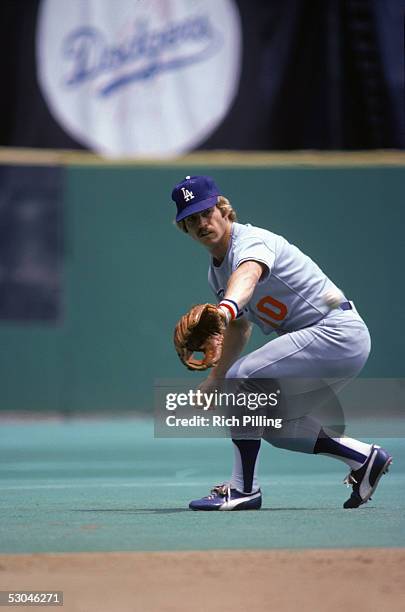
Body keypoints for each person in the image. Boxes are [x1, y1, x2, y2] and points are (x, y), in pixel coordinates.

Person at [171, 175, 392, 510]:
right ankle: (364, 458)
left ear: (223, 209)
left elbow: (248, 274)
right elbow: (240, 328)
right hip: (322, 343)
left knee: (241, 379)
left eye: (206, 212)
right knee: (273, 425)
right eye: (191, 219)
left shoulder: (251, 241)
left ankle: (243, 490)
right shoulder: (216, 273)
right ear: (184, 228)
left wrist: (226, 308)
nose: (201, 222)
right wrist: (216, 378)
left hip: (334, 331)